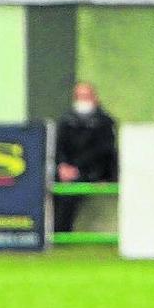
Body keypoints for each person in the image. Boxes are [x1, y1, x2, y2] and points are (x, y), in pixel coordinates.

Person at [53, 82, 118, 233]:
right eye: (79, 96)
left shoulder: (105, 122)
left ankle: (61, 233)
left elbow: (103, 151)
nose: (83, 100)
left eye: (86, 96)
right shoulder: (66, 120)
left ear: (94, 98)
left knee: (69, 195)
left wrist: (77, 168)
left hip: (93, 172)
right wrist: (63, 165)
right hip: (66, 171)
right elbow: (59, 147)